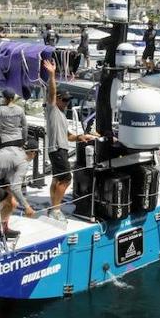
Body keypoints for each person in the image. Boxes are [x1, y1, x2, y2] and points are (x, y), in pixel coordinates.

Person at [42, 59, 94, 221]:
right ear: (57, 99)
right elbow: (51, 93)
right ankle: (56, 210)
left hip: (60, 148)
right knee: (66, 179)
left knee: (57, 179)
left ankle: (53, 207)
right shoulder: (52, 109)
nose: (67, 103)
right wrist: (51, 75)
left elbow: (68, 135)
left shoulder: (62, 115)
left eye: (68, 100)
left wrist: (80, 137)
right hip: (57, 149)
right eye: (64, 100)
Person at [0, 142, 39, 239]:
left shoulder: (14, 148)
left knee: (11, 196)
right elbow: (15, 187)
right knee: (12, 204)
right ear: (32, 152)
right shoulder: (23, 162)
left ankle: (2, 226)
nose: (35, 156)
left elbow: (8, 179)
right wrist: (27, 206)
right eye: (35, 153)